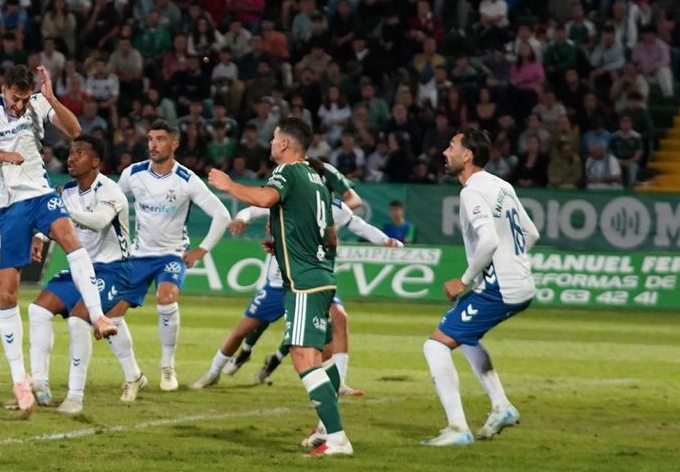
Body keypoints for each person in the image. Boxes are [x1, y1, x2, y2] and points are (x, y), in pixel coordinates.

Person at [0, 64, 117, 416]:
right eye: (15, 98)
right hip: (8, 207)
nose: (18, 105)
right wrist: (0, 154)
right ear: (3, 89)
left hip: (41, 194)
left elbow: (76, 131)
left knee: (69, 238)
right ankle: (21, 381)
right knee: (7, 294)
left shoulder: (37, 103)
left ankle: (97, 316)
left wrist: (49, 99)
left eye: (24, 98)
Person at [208, 118, 352, 456]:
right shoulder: (317, 178)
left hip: (303, 282)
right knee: (318, 355)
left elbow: (263, 198)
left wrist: (229, 185)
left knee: (302, 357)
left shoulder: (286, 173)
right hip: (322, 276)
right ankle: (324, 428)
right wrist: (287, 244)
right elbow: (330, 235)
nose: (271, 143)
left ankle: (338, 438)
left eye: (274, 138)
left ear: (285, 144)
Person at [194, 163, 400, 393]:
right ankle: (213, 372)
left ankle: (338, 383)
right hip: (280, 281)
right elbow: (253, 209)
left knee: (336, 321)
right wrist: (242, 218)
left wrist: (384, 240)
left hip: (313, 280)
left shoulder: (335, 208)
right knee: (243, 329)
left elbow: (361, 226)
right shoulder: (284, 198)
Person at [422, 129, 539, 447]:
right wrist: (510, 263)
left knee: (436, 345)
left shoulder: (472, 191)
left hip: (500, 286)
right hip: (520, 282)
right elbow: (531, 233)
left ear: (467, 155)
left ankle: (458, 428)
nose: (445, 152)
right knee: (466, 337)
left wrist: (465, 279)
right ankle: (501, 406)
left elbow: (488, 240)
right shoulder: (501, 185)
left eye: (451, 147)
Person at [28, 135, 142, 414]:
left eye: (79, 153)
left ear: (96, 161)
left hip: (114, 270)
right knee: (38, 310)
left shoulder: (110, 191)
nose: (71, 157)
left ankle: (75, 396)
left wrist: (64, 209)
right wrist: (41, 235)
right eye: (70, 152)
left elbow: (98, 222)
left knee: (80, 319)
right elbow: (56, 222)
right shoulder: (67, 191)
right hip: (81, 267)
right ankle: (39, 384)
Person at [113, 121, 230, 393]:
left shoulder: (187, 179)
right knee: (111, 317)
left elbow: (222, 215)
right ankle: (133, 374)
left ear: (174, 144)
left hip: (172, 255)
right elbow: (114, 203)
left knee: (166, 298)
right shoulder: (133, 173)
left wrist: (202, 249)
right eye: (151, 139)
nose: (153, 144)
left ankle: (167, 366)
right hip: (138, 254)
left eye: (160, 139)